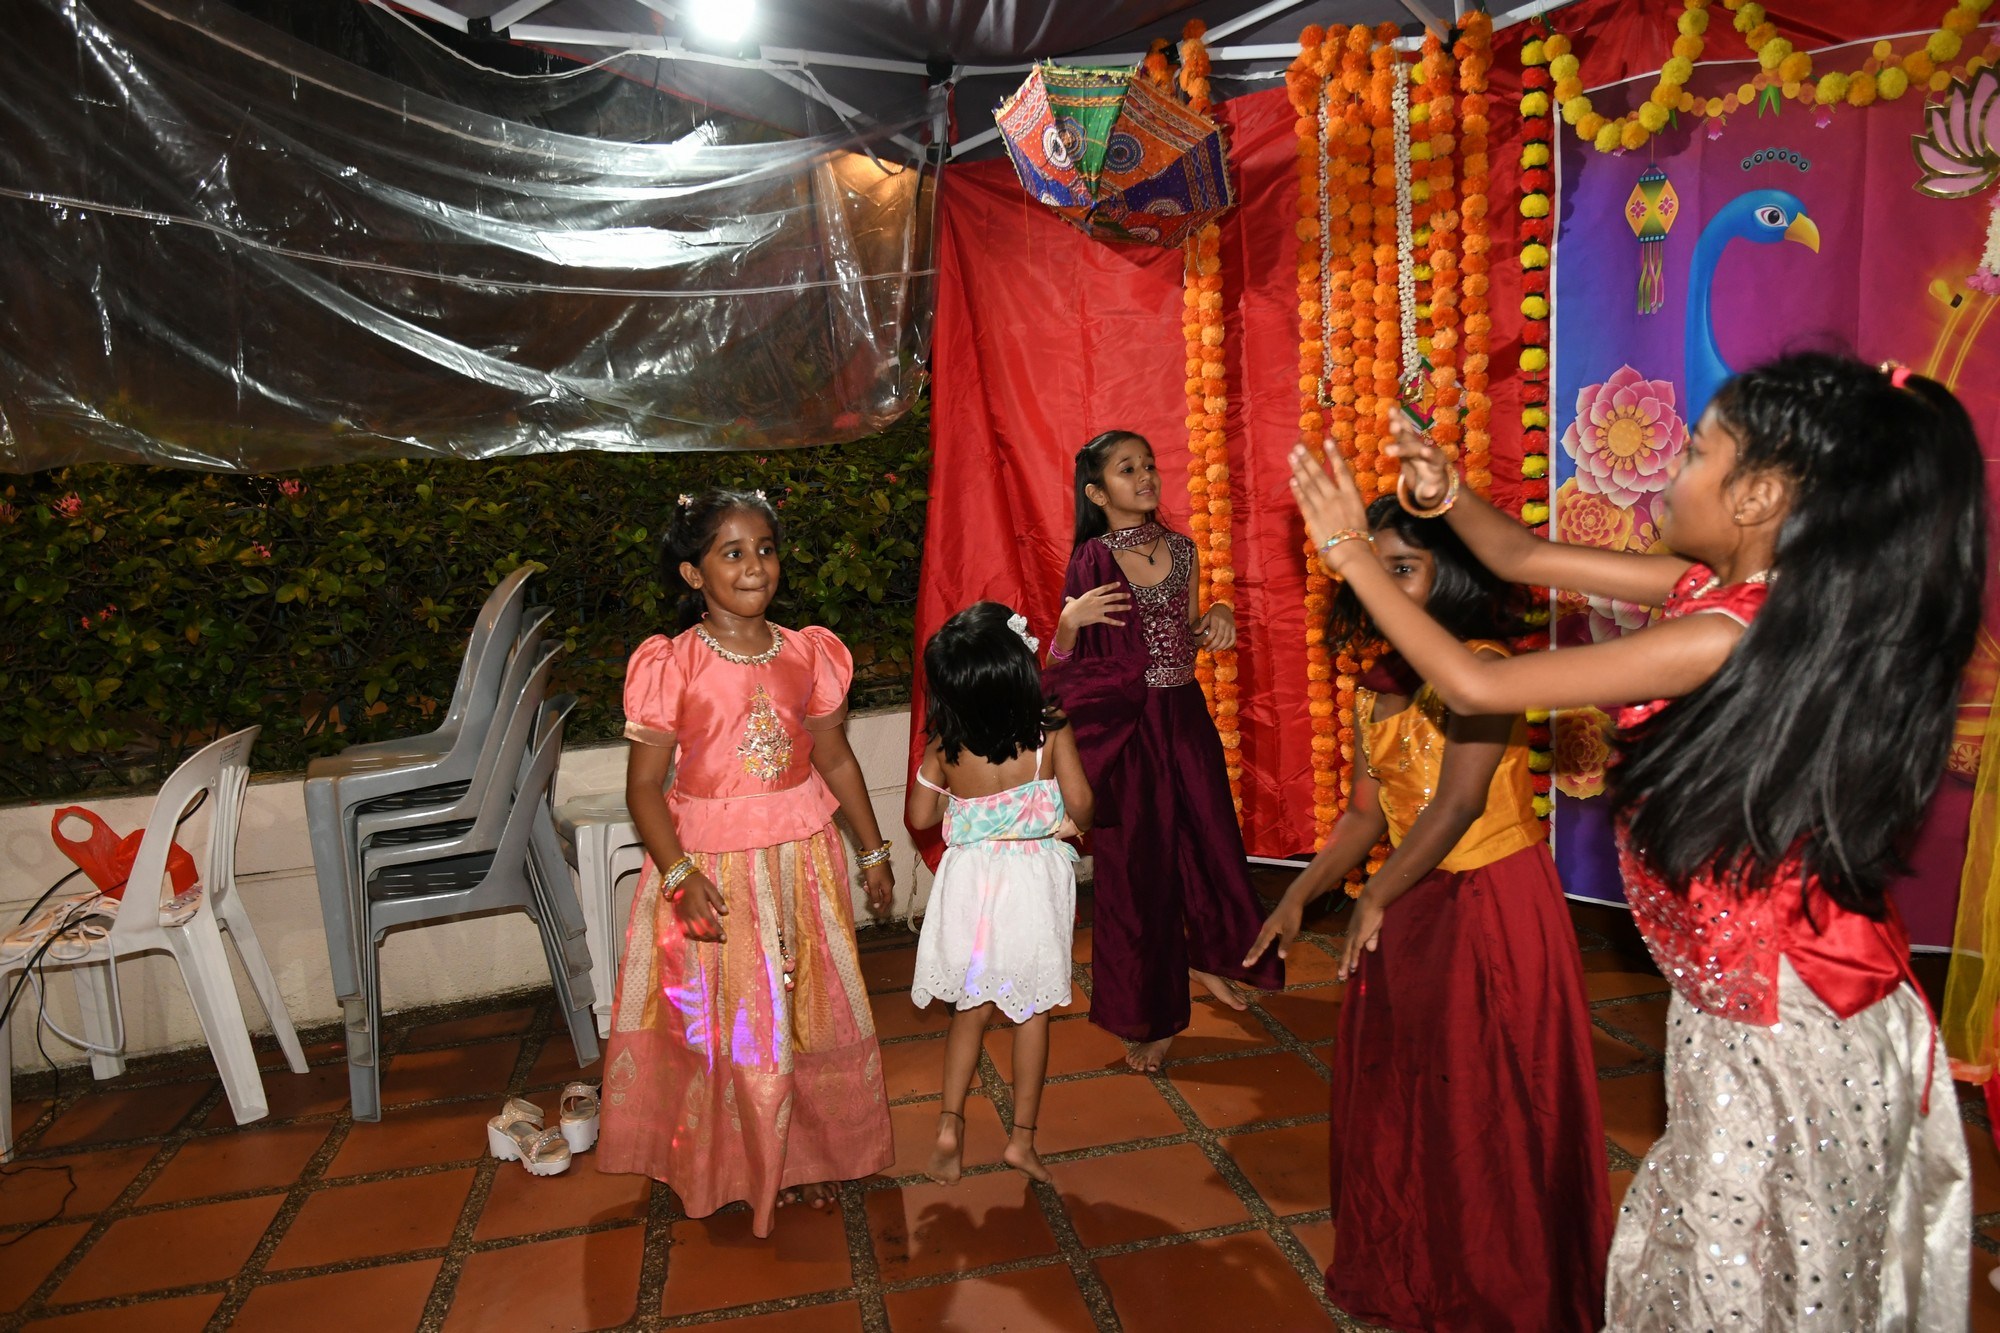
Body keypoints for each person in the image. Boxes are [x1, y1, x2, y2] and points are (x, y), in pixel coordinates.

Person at [1287, 353, 1982, 1330]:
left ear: (1757, 497)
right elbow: (1523, 558)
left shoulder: (1730, 633)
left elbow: (1480, 685)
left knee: (1753, 1273)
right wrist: (1448, 497)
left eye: (1696, 453)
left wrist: (1352, 554)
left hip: (1785, 1021)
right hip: (1734, 1001)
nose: (1672, 471)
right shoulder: (1717, 590)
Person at [1242, 494, 1609, 1331]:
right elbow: (1365, 815)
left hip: (1490, 901)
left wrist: (1374, 894)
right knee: (1412, 1098)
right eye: (1374, 569)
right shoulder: (1376, 688)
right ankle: (1420, 1271)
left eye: (1403, 568)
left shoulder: (1484, 665)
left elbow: (1458, 802)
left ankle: (1504, 1289)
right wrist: (1299, 893)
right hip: (1411, 902)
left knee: (1489, 1104)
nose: (1382, 584)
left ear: (1454, 577)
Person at [598, 488, 895, 1237]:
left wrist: (872, 849)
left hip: (802, 864)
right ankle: (731, 1159)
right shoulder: (673, 665)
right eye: (732, 553)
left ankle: (800, 1154)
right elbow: (643, 788)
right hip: (715, 876)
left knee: (804, 1009)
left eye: (765, 549)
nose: (755, 566)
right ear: (694, 574)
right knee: (735, 1022)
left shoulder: (807, 653)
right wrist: (679, 876)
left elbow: (835, 758)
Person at [1044, 430, 1283, 1072]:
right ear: (1097, 493)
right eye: (1127, 469)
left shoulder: (1182, 549)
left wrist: (1220, 614)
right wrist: (1066, 625)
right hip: (1125, 733)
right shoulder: (1092, 560)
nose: (1145, 476)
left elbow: (1190, 630)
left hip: (1185, 719)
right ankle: (1152, 1016)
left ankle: (1210, 958)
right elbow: (1066, 669)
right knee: (1137, 873)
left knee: (1210, 847)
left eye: (1148, 464)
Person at [907, 601, 1093, 1186]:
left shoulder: (946, 745)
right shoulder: (1048, 734)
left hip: (970, 886)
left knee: (971, 1008)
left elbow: (919, 817)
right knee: (1031, 1012)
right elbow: (1085, 806)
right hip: (1031, 886)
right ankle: (1022, 1141)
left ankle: (949, 1124)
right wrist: (1063, 818)